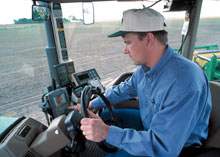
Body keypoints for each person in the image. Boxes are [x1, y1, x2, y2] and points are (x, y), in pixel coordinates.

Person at [69, 7, 212, 156]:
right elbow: (124, 89)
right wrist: (92, 104)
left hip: (176, 147)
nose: (125, 50)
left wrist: (107, 133)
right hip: (150, 125)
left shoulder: (183, 83)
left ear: (149, 39)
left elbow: (162, 146)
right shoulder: (146, 70)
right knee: (105, 117)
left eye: (128, 42)